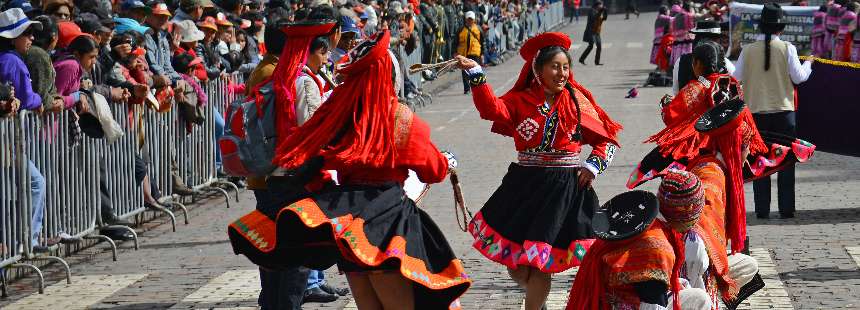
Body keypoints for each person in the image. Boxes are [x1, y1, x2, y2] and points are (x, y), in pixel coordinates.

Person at [228, 30, 470, 310]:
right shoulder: (399, 118)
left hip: (347, 225)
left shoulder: (339, 116)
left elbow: (313, 156)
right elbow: (432, 170)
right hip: (388, 220)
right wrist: (447, 161)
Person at [457, 32, 622, 310]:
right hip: (525, 185)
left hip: (563, 189)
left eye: (565, 67)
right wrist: (476, 74)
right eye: (555, 67)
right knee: (516, 263)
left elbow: (607, 140)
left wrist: (593, 165)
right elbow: (490, 110)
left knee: (540, 263)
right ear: (538, 69)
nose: (561, 73)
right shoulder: (520, 101)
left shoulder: (577, 102)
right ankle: (539, 300)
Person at [733, 2, 813, 220]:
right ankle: (786, 209)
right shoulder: (788, 48)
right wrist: (809, 65)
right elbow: (799, 77)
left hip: (756, 114)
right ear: (781, 28)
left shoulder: (747, 51)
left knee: (760, 162)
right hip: (784, 114)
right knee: (786, 162)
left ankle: (762, 209)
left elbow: (735, 78)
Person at [567, 190, 713, 310]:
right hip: (615, 304)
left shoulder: (646, 223)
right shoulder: (658, 248)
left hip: (602, 297)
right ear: (687, 218)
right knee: (700, 300)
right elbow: (652, 304)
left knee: (689, 291)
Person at [657, 169, 763, 308]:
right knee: (701, 298)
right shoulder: (693, 242)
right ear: (695, 207)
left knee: (747, 264)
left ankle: (712, 296)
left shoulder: (653, 219)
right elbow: (693, 284)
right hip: (662, 296)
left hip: (683, 281)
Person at [0, 8, 48, 252]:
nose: (32, 38)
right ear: (13, 35)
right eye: (27, 33)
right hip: (7, 141)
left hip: (9, 139)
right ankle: (27, 240)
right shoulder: (12, 61)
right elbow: (26, 98)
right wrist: (40, 100)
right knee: (36, 183)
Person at [672, 20, 736, 95]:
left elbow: (676, 93)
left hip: (686, 105)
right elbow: (736, 90)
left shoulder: (681, 61)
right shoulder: (725, 63)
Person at [458, 11, 481, 94]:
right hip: (464, 53)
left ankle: (477, 88)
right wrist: (455, 52)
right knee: (464, 72)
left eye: (471, 19)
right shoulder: (461, 29)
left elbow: (482, 41)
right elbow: (455, 41)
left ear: (474, 20)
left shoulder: (478, 29)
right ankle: (467, 88)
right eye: (468, 19)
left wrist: (482, 54)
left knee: (475, 71)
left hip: (475, 53)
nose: (470, 21)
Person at [579, 0, 606, 66]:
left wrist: (605, 12)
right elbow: (594, 18)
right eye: (601, 5)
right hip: (591, 31)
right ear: (597, 5)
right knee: (591, 45)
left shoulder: (598, 11)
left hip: (597, 31)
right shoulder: (591, 11)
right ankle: (582, 59)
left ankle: (597, 62)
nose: (602, 6)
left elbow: (603, 19)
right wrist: (600, 12)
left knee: (599, 46)